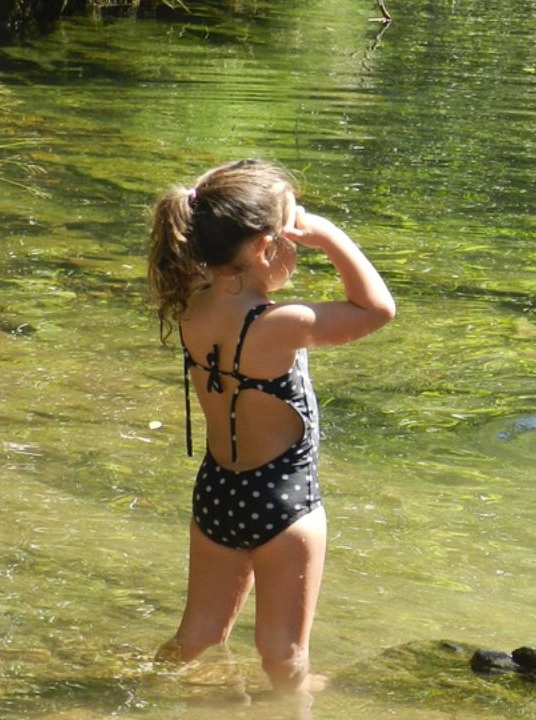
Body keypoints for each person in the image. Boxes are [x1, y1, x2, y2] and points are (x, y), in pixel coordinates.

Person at [146, 159, 395, 696]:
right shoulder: (282, 325)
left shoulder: (190, 307)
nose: (300, 246)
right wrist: (331, 237)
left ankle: (146, 697)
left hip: (217, 492)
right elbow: (377, 310)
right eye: (294, 235)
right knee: (283, 655)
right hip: (283, 502)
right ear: (264, 248)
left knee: (198, 633)